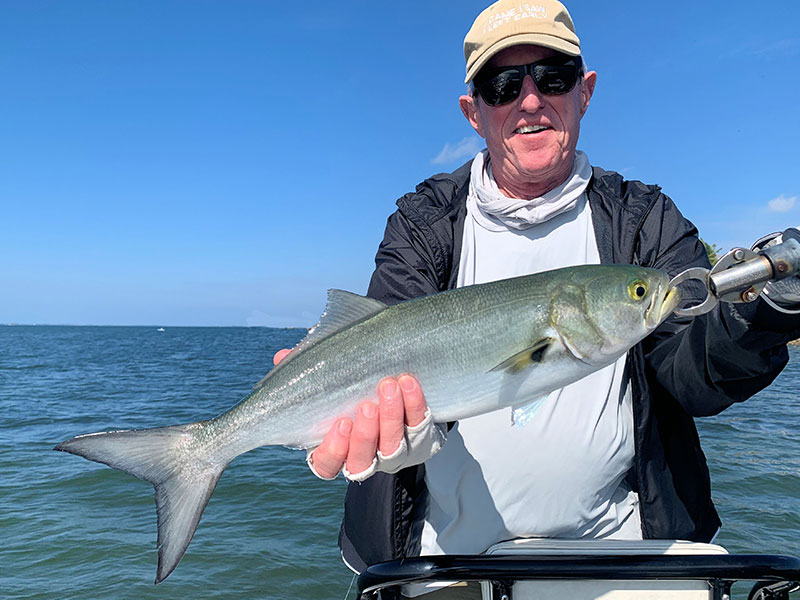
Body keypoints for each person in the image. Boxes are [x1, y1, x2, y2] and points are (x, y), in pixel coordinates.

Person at [276, 0, 800, 596]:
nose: (530, 101)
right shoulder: (424, 224)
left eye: (553, 77)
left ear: (585, 91)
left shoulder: (643, 221)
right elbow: (382, 352)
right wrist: (399, 436)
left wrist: (762, 314)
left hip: (617, 555)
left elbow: (692, 375)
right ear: (473, 112)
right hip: (450, 566)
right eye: (502, 85)